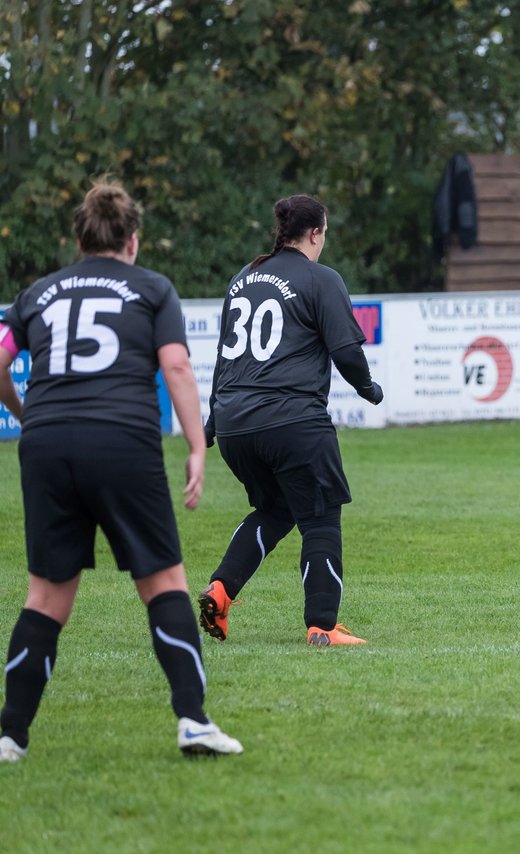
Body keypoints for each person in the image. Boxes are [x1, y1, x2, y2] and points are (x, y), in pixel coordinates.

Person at [0, 179, 241, 761]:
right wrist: (196, 445)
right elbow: (177, 368)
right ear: (133, 240)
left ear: (79, 238)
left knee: (47, 596)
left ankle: (9, 736)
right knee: (163, 584)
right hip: (122, 442)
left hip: (48, 445)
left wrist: (27, 415)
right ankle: (192, 720)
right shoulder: (153, 288)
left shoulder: (39, 292)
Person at [199, 195, 383, 647]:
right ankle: (322, 625)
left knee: (276, 510)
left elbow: (226, 356)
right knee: (320, 519)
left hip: (235, 424)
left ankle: (220, 591)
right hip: (292, 420)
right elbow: (345, 351)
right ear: (316, 233)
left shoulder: (242, 278)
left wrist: (212, 420)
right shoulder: (321, 278)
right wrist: (369, 390)